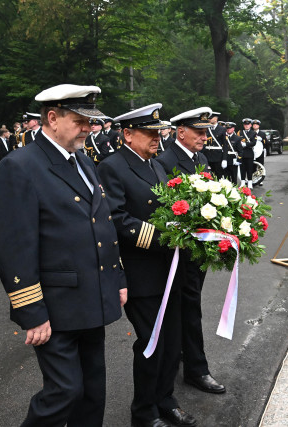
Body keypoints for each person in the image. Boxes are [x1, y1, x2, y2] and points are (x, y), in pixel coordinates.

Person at [0, 84, 127, 426]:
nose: (89, 128)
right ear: (52, 118)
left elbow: (102, 225)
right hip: (56, 305)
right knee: (64, 390)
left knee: (93, 390)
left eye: (90, 121)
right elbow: (14, 246)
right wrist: (30, 310)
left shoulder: (82, 160)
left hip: (92, 296)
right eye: (80, 120)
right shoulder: (20, 166)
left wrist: (117, 279)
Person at [98, 103, 196, 427]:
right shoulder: (113, 167)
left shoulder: (154, 165)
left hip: (169, 270)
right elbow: (116, 217)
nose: (158, 138)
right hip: (141, 272)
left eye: (158, 132)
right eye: (150, 132)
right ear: (128, 134)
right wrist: (163, 236)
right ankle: (144, 412)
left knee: (172, 344)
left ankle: (165, 400)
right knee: (151, 345)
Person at [156, 107, 226, 397]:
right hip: (180, 250)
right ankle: (197, 369)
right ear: (180, 131)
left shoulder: (200, 158)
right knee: (189, 307)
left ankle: (182, 355)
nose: (204, 136)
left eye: (206, 131)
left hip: (199, 248)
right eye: (198, 131)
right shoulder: (165, 162)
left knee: (189, 304)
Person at [202, 111, 227, 178]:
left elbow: (225, 145)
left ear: (216, 119)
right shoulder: (206, 128)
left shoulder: (222, 129)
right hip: (207, 155)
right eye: (209, 118)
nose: (209, 119)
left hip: (218, 156)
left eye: (211, 118)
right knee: (207, 175)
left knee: (218, 175)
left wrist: (224, 159)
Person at [236, 118, 257, 188]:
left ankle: (250, 182)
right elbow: (237, 140)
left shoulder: (254, 133)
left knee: (249, 168)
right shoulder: (240, 132)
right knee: (242, 169)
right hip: (241, 153)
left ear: (250, 125)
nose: (246, 126)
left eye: (248, 124)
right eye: (245, 124)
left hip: (249, 153)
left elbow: (254, 143)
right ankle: (242, 182)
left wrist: (246, 144)